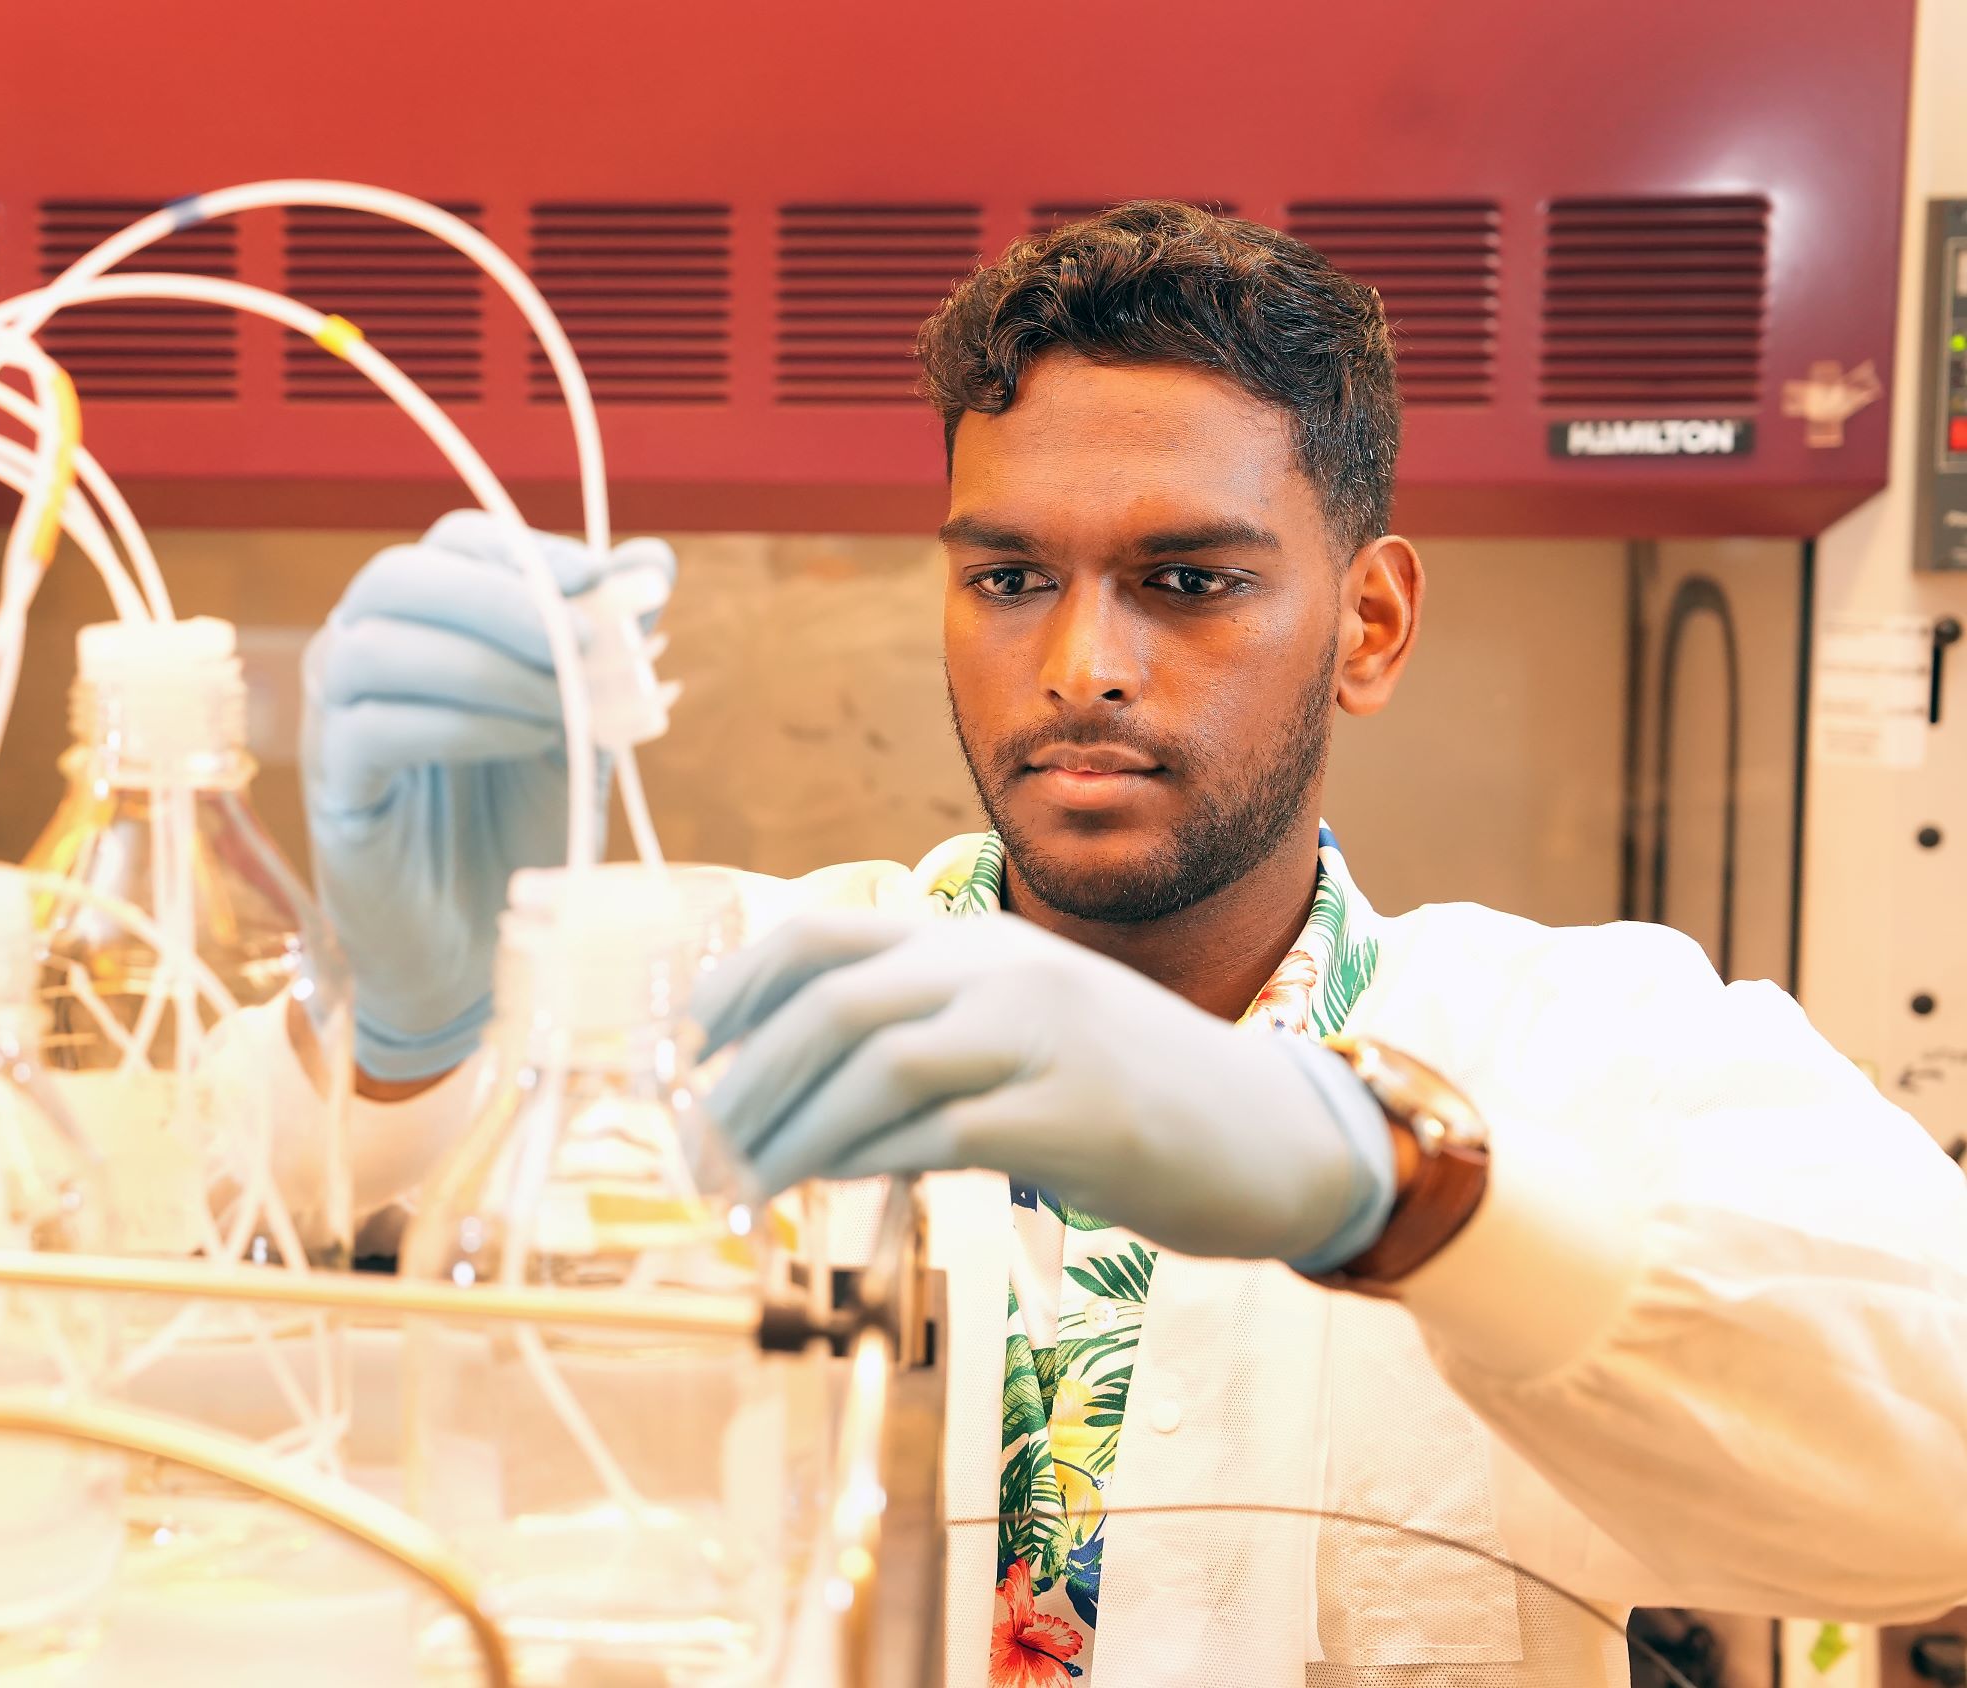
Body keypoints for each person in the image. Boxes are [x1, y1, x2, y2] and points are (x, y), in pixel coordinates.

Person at [294, 202, 1967, 1683]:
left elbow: (1935, 1486)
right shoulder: (723, 998)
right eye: (1010, 578)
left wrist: (1403, 1189)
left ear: (1370, 622)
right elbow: (286, 1388)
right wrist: (413, 1049)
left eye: (1187, 580)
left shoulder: (1593, 1044)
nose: (1080, 663)